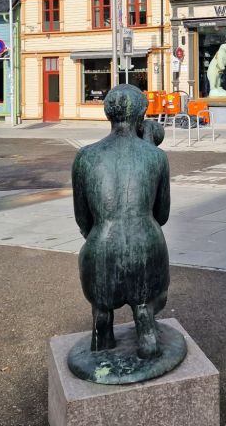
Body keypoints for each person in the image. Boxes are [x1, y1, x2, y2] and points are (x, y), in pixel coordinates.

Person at [72, 85, 171, 360]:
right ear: (141, 116)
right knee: (145, 305)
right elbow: (162, 215)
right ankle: (146, 333)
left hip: (100, 247)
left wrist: (102, 238)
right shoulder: (156, 156)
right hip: (147, 246)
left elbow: (82, 218)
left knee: (101, 311)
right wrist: (148, 144)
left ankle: (101, 333)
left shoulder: (85, 156)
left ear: (108, 114)